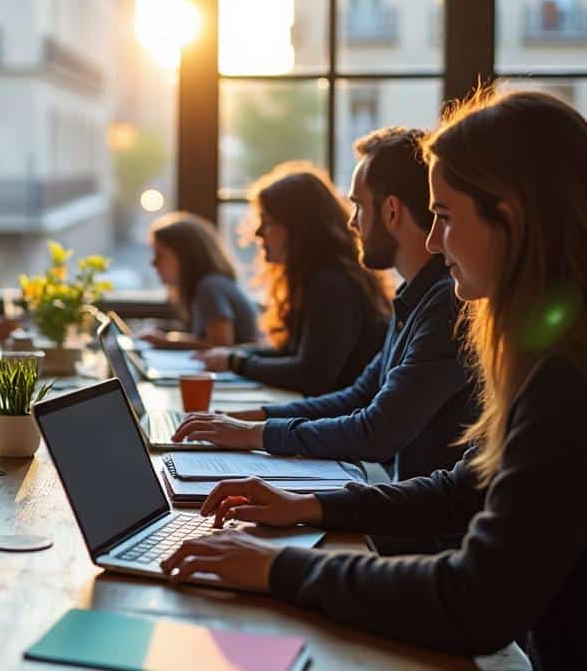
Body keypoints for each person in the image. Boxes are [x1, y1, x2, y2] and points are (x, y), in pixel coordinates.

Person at [161, 91, 587, 668]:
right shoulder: (579, 338)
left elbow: (475, 601)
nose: (430, 241)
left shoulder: (584, 368)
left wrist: (277, 567)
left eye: (445, 216)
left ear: (511, 216)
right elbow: (466, 489)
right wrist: (307, 506)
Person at [174, 131, 476, 486]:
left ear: (391, 211)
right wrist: (246, 423)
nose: (352, 223)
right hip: (399, 498)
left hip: (419, 519)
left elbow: (375, 432)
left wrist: (254, 433)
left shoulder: (446, 304)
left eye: (359, 207)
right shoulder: (415, 296)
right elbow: (359, 396)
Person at [193, 165, 390, 396]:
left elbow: (311, 375)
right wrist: (234, 356)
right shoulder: (317, 277)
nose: (258, 233)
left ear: (297, 228)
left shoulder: (331, 283)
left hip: (339, 421)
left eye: (267, 222)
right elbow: (291, 353)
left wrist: (236, 361)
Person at [136, 212, 259, 349]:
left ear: (186, 258)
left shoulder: (210, 287)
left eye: (161, 255)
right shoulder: (210, 285)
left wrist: (166, 341)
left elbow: (222, 345)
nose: (154, 263)